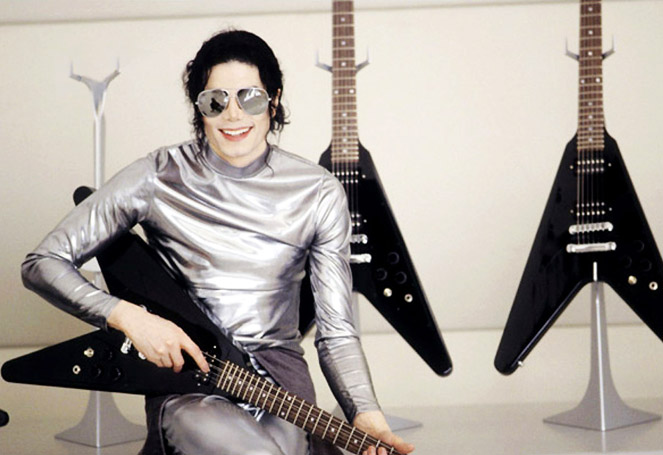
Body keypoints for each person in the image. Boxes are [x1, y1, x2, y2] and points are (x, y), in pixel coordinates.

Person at [21, 29, 415, 455]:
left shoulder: (317, 191)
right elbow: (42, 262)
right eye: (216, 101)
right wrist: (128, 318)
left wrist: (365, 411)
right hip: (191, 385)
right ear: (198, 107)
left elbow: (336, 331)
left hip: (282, 392)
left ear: (274, 101)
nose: (233, 114)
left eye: (250, 98)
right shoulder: (157, 175)